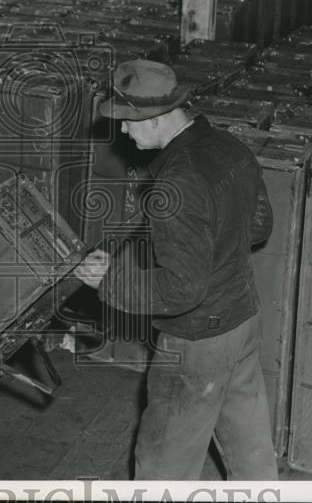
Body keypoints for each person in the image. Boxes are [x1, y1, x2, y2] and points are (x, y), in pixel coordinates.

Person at [75, 59, 278, 481]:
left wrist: (109, 279)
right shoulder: (229, 146)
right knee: (250, 452)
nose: (124, 132)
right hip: (241, 318)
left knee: (163, 465)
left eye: (129, 122)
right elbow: (259, 226)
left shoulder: (174, 183)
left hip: (196, 343)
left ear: (159, 117)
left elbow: (182, 289)